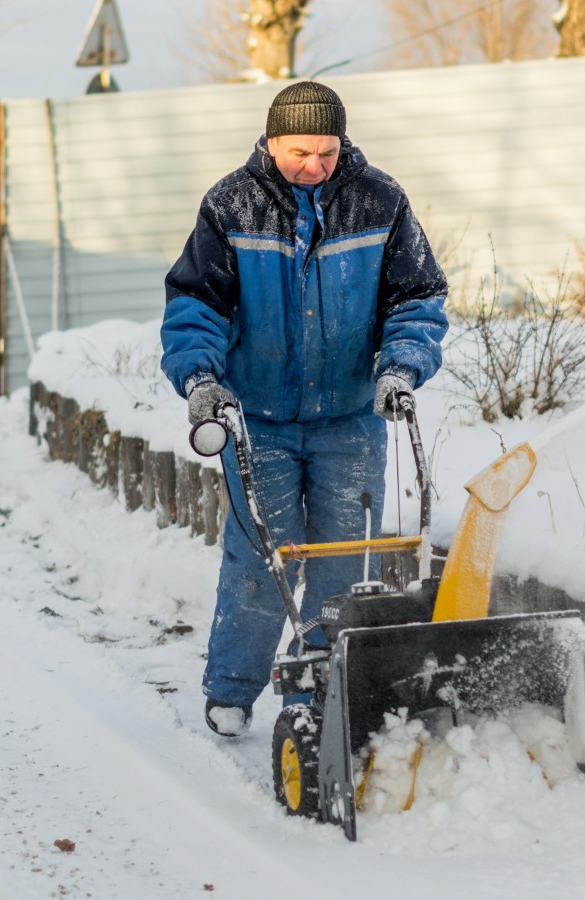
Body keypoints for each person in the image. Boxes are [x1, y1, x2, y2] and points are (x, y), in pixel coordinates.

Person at [159, 81, 448, 737]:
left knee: (347, 561)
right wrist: (201, 378)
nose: (313, 165)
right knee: (263, 554)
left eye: (326, 151)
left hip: (350, 419)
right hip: (256, 420)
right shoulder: (230, 206)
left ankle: (326, 685)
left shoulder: (381, 201)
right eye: (299, 151)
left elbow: (418, 298)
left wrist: (400, 366)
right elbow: (196, 306)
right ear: (270, 140)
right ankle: (232, 688)